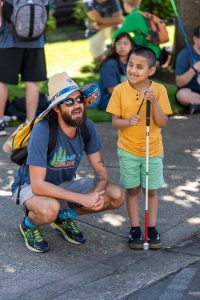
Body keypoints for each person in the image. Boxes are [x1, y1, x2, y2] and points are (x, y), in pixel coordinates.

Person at [11, 72, 124, 253]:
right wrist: (81, 199)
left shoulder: (87, 127)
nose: (77, 105)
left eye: (79, 99)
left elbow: (101, 172)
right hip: (30, 186)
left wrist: (94, 195)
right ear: (56, 108)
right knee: (50, 209)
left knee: (115, 194)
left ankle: (63, 217)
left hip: (64, 184)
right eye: (69, 102)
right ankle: (29, 225)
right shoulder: (43, 130)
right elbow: (38, 186)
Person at [106, 47, 172, 250]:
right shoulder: (119, 90)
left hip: (152, 150)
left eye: (139, 67)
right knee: (133, 189)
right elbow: (115, 122)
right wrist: (128, 122)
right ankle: (135, 228)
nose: (133, 70)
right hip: (128, 150)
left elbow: (162, 123)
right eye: (131, 65)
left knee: (151, 191)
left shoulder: (159, 90)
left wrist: (154, 103)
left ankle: (151, 228)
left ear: (151, 71)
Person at [0, 0, 48, 136]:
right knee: (32, 82)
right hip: (36, 40)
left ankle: (0, 123)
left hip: (8, 39)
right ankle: (30, 124)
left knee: (2, 82)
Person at [99, 32, 134, 111]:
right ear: (114, 46)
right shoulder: (110, 64)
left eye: (125, 43)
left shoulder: (133, 63)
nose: (122, 46)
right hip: (109, 100)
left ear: (131, 46)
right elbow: (111, 90)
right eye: (119, 43)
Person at [175, 25, 200, 114]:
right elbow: (179, 83)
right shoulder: (184, 55)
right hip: (191, 91)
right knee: (181, 95)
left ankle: (197, 107)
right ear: (195, 39)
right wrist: (193, 69)